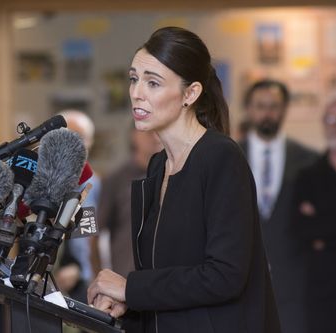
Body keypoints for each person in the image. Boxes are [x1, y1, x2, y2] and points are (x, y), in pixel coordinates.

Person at [87, 27, 280, 332]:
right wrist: (128, 302)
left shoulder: (220, 157)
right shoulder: (157, 165)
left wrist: (130, 288)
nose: (137, 93)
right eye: (134, 79)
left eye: (153, 83)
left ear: (190, 93)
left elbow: (225, 276)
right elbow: (166, 277)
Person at [239, 79, 318, 333]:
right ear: (249, 109)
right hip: (241, 286)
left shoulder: (310, 161)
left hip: (294, 288)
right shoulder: (228, 157)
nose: (267, 112)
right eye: (260, 106)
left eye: (274, 106)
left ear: (284, 109)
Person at [293, 93, 336, 333]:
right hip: (324, 291)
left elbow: (316, 230)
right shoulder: (307, 176)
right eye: (330, 120)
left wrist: (324, 232)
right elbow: (301, 230)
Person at [92, 125, 161, 278]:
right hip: (125, 277)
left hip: (162, 280)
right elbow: (94, 233)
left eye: (160, 132)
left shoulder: (172, 174)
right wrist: (98, 277)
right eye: (150, 132)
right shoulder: (116, 179)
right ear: (134, 135)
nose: (156, 138)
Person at [54, 110, 101, 302]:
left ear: (90, 143)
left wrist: (81, 271)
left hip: (85, 280)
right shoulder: (42, 184)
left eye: (81, 138)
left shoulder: (94, 186)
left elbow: (88, 236)